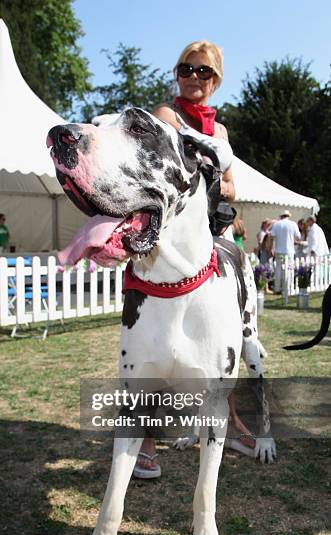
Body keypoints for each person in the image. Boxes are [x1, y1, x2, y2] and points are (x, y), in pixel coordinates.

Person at [133, 41, 247, 478]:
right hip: (166, 241)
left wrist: (216, 179)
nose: (193, 78)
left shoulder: (219, 133)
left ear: (216, 80)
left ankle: (226, 422)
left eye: (203, 72)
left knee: (220, 337)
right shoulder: (166, 117)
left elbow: (232, 185)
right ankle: (145, 439)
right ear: (176, 73)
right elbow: (158, 172)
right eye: (186, 69)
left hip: (207, 237)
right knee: (151, 344)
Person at [270, 211, 301, 294]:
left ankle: (277, 288)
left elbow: (272, 236)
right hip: (289, 251)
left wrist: (271, 248)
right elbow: (298, 236)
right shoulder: (293, 224)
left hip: (279, 250)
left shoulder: (276, 224)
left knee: (278, 270)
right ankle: (288, 288)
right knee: (289, 269)